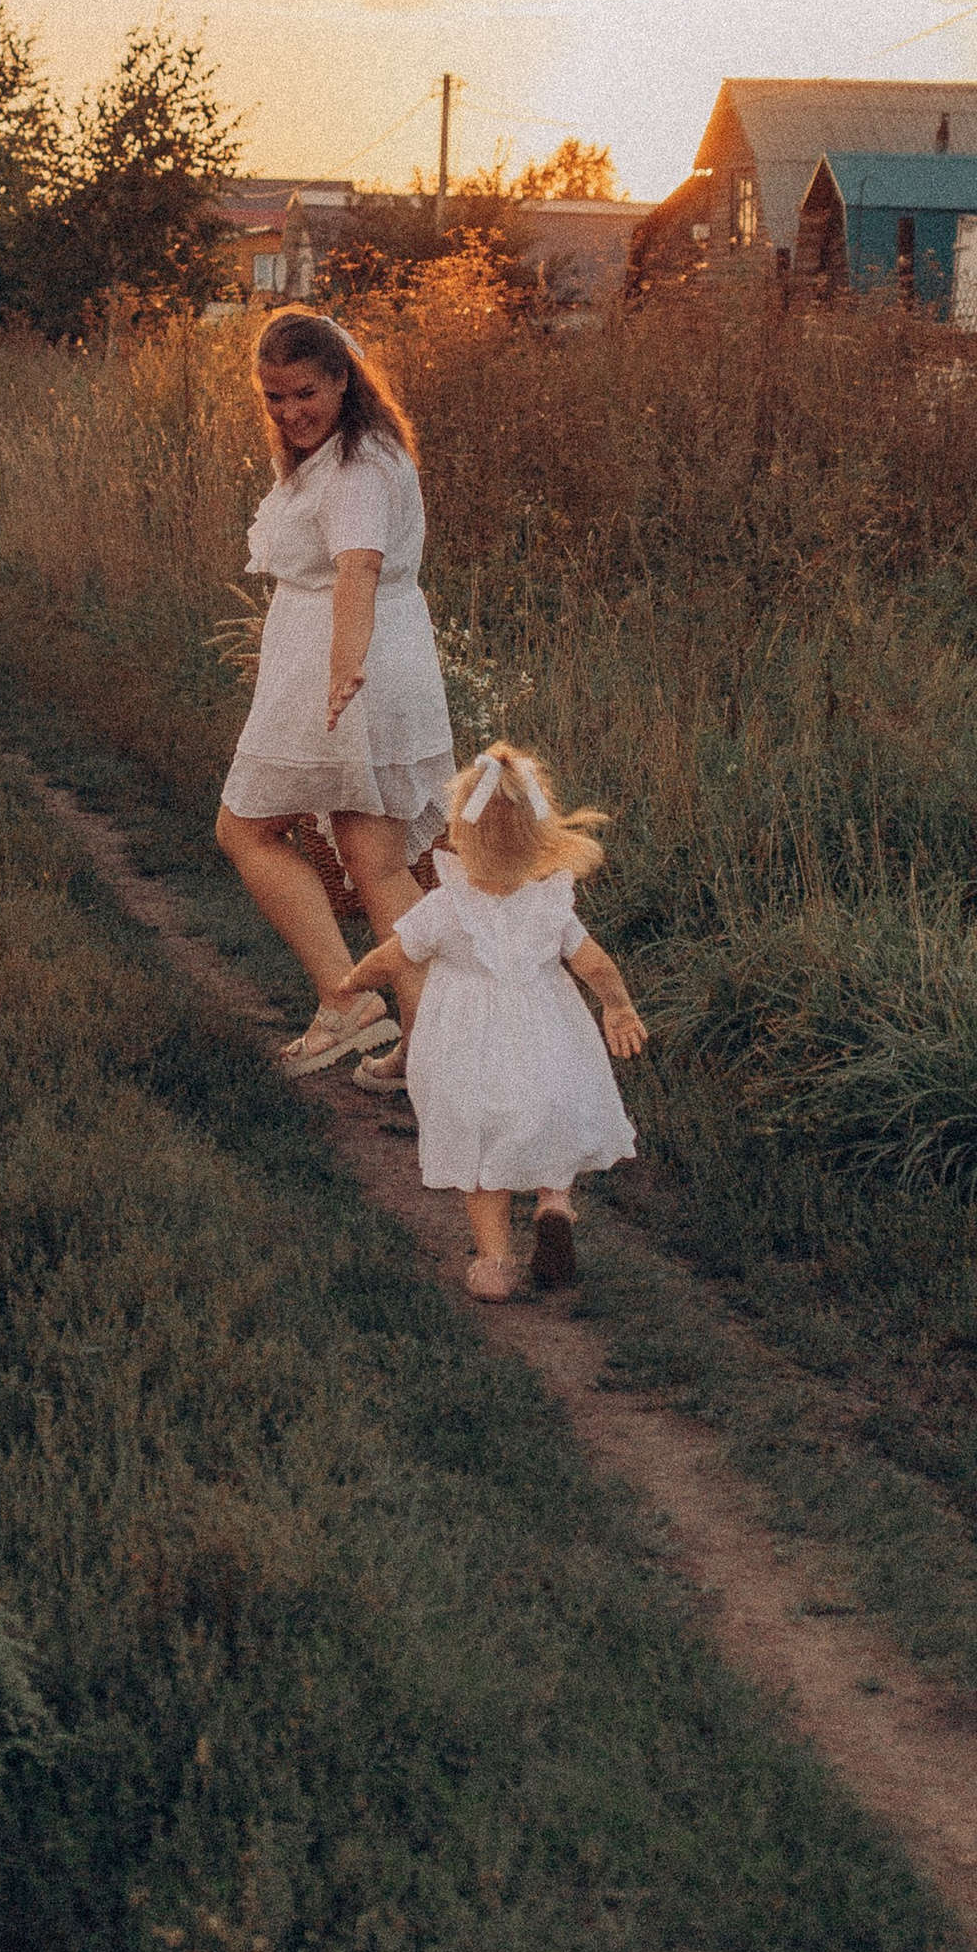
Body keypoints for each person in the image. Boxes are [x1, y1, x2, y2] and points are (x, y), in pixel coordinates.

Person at [215, 308, 458, 1076]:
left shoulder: (354, 468)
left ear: (343, 379)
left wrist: (345, 666)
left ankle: (345, 1000)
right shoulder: (364, 448)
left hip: (346, 674)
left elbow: (358, 568)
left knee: (245, 830)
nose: (291, 413)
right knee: (377, 864)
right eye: (275, 397)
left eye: (306, 393)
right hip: (383, 664)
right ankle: (437, 1049)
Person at [334, 740, 645, 1298]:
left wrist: (353, 981)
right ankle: (554, 1205)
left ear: (457, 832)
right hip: (547, 1039)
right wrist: (618, 1007)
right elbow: (595, 965)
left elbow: (393, 958)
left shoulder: (446, 906)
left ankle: (496, 1263)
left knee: (479, 1144)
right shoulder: (551, 904)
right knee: (548, 1120)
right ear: (541, 837)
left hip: (468, 1050)